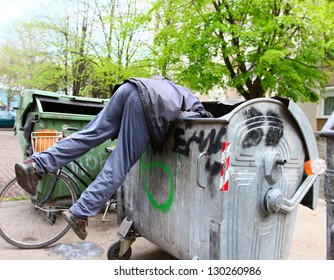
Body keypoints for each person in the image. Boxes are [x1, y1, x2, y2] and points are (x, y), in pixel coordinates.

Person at [14, 75, 212, 240]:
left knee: (89, 135)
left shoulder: (167, 84)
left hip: (129, 88)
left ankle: (36, 163)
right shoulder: (192, 99)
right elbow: (192, 123)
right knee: (119, 164)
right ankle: (79, 211)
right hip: (148, 104)